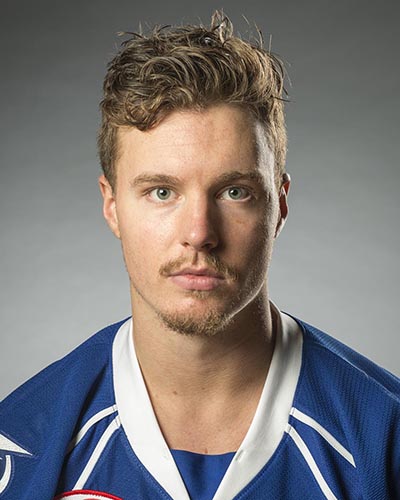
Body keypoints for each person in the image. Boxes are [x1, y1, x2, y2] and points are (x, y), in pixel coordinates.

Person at [0, 10, 399, 500]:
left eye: (234, 192)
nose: (199, 234)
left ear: (279, 204)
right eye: (162, 192)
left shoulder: (385, 438)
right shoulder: (21, 445)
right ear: (112, 206)